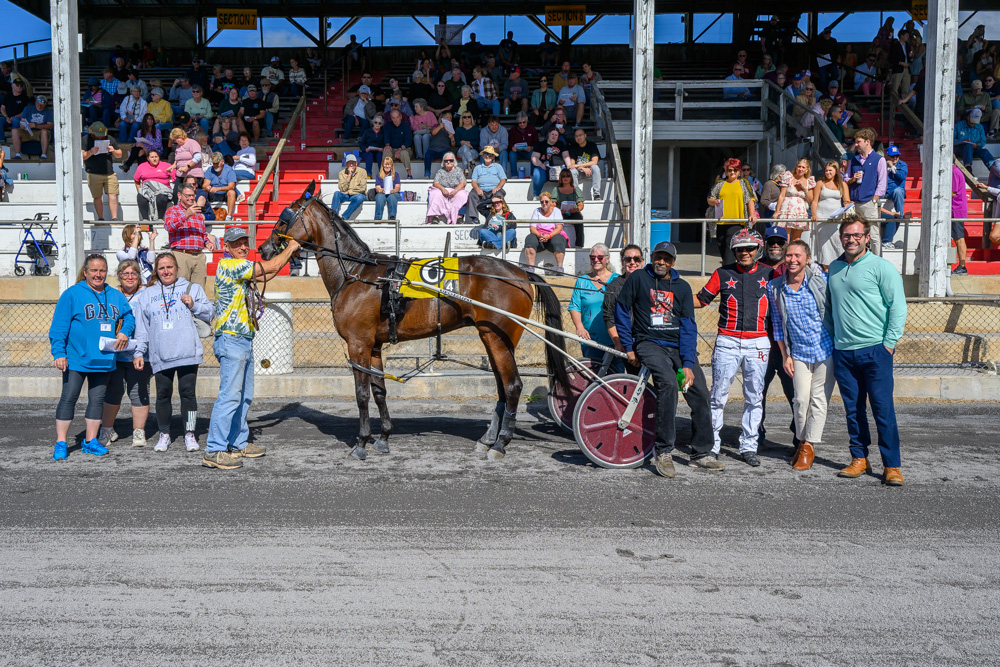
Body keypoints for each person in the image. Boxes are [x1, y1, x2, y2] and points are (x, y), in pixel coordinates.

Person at [614, 241, 725, 477]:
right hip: (649, 343)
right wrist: (628, 346)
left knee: (700, 392)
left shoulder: (683, 288)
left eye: (666, 259)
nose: (661, 262)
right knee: (667, 383)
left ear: (673, 262)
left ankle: (701, 453)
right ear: (652, 257)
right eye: (658, 257)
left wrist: (687, 364)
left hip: (677, 348)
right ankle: (664, 450)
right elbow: (622, 310)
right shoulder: (637, 279)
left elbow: (688, 326)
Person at [204, 227, 300, 469]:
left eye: (245, 242)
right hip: (232, 338)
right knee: (230, 396)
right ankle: (214, 449)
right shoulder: (228, 265)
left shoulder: (239, 268)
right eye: (237, 243)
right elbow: (268, 268)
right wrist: (291, 247)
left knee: (243, 397)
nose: (243, 247)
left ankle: (238, 443)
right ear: (225, 247)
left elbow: (270, 272)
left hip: (243, 338)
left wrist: (285, 254)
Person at [824, 212, 907, 486]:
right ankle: (859, 458)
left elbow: (897, 307)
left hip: (875, 351)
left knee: (883, 409)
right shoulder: (834, 268)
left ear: (867, 238)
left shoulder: (881, 267)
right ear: (840, 237)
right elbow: (828, 309)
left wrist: (889, 344)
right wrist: (833, 338)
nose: (851, 239)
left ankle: (892, 465)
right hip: (844, 352)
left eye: (857, 235)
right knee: (853, 410)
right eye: (847, 235)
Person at [695, 229, 774, 467]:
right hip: (727, 341)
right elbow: (701, 299)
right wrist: (671, 299)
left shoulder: (771, 273)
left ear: (759, 249)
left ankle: (749, 445)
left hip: (759, 340)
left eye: (750, 248)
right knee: (718, 395)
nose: (745, 253)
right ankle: (713, 445)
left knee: (754, 396)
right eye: (740, 249)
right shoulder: (722, 273)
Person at [48, 254, 134, 461]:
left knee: (97, 401)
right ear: (85, 272)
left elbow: (129, 315)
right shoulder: (72, 294)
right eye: (94, 270)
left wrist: (125, 331)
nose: (98, 274)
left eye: (102, 270)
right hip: (76, 358)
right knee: (69, 398)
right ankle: (61, 442)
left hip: (104, 359)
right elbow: (59, 327)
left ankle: (90, 441)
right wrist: (59, 353)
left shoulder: (114, 295)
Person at [132, 252, 213, 453]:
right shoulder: (147, 294)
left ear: (177, 269)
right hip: (161, 353)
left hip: (187, 352)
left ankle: (190, 433)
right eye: (161, 268)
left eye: (169, 267)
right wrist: (139, 352)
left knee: (188, 394)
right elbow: (142, 327)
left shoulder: (192, 288)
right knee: (162, 394)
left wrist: (194, 305)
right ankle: (164, 433)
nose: (166, 271)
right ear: (156, 271)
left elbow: (210, 312)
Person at [767, 240, 834, 471]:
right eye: (789, 256)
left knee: (818, 400)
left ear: (807, 259)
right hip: (798, 353)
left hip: (826, 351)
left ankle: (807, 446)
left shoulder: (820, 282)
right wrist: (786, 355)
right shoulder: (775, 287)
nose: (792, 260)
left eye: (798, 256)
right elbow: (777, 323)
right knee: (800, 400)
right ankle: (804, 442)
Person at [98, 259, 151, 448]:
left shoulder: (146, 294)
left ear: (139, 276)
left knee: (138, 392)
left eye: (133, 273)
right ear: (119, 276)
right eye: (125, 274)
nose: (129, 277)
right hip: (115, 353)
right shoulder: (110, 293)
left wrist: (140, 351)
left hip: (140, 353)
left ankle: (139, 431)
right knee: (113, 393)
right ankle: (107, 429)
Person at [755, 226, 797, 449]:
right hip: (761, 343)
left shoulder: (793, 268)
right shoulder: (754, 267)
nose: (775, 246)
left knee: (795, 394)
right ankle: (756, 431)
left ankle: (799, 435)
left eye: (780, 242)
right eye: (771, 241)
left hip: (789, 346)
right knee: (757, 392)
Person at [569, 244, 619, 362]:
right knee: (593, 376)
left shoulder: (618, 280)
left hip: (615, 339)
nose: (596, 260)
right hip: (590, 339)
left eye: (600, 257)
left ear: (607, 259)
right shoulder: (582, 281)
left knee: (617, 377)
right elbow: (574, 306)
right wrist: (579, 327)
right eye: (593, 257)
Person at [707, 158, 758, 264]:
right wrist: (715, 201)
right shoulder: (720, 184)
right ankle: (730, 266)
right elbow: (709, 199)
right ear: (726, 171)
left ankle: (728, 269)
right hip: (721, 221)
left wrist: (752, 214)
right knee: (721, 244)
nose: (732, 172)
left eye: (735, 170)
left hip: (737, 221)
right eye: (730, 170)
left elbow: (750, 199)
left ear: (739, 171)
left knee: (729, 243)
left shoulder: (744, 183)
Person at [164, 183, 213, 288]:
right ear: (179, 195)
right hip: (181, 255)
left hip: (198, 255)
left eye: (193, 195)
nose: (191, 198)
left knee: (199, 291)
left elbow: (202, 232)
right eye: (188, 195)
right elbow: (169, 227)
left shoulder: (198, 213)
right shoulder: (172, 210)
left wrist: (207, 242)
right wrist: (186, 215)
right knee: (180, 289)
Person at [846, 127, 887, 252]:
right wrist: (853, 179)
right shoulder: (854, 160)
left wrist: (875, 198)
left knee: (873, 234)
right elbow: (846, 178)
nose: (856, 145)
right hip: (854, 203)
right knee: (855, 234)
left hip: (868, 202)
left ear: (867, 142)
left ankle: (876, 262)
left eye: (858, 142)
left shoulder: (879, 159)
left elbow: (882, 182)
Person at [810, 160, 852, 268]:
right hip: (822, 216)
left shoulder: (843, 184)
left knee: (837, 241)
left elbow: (846, 201)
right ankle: (825, 267)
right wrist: (814, 214)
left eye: (830, 170)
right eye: (826, 170)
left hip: (836, 217)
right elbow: (815, 201)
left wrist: (849, 205)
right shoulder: (820, 183)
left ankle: (837, 265)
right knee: (824, 244)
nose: (828, 173)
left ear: (836, 171)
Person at [81, 121, 123, 221]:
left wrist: (113, 151)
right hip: (93, 173)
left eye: (102, 135)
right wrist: (91, 152)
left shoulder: (109, 138)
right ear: (92, 132)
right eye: (98, 135)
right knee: (97, 197)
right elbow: (82, 156)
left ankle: (114, 218)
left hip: (109, 172)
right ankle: (100, 218)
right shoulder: (85, 139)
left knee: (113, 195)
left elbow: (120, 154)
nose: (100, 137)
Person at [774, 159, 816, 242]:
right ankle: (785, 254)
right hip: (786, 210)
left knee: (796, 239)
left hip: (800, 211)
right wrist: (776, 211)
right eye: (799, 166)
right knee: (785, 237)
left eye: (803, 167)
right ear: (796, 167)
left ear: (807, 169)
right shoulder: (788, 177)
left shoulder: (809, 181)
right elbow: (782, 195)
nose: (800, 169)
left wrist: (804, 188)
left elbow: (810, 199)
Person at [523, 192, 566, 272]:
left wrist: (549, 236)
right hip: (540, 236)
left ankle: (560, 267)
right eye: (542, 202)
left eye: (546, 201)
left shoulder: (556, 211)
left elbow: (559, 228)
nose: (544, 203)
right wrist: (539, 235)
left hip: (553, 235)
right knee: (530, 239)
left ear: (550, 201)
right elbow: (532, 228)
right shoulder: (537, 211)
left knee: (558, 240)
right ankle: (531, 267)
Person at [466, 146, 507, 223]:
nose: (487, 156)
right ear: (483, 155)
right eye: (485, 154)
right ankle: (474, 218)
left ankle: (498, 216)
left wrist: (497, 187)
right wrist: (477, 189)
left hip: (494, 190)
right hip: (481, 191)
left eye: (490, 154)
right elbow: (474, 181)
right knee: (472, 194)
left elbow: (503, 179)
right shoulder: (477, 168)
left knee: (499, 194)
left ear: (493, 156)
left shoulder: (498, 166)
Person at [879, 145, 909, 250]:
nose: (895, 158)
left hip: (896, 191)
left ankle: (899, 215)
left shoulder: (903, 165)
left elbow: (901, 177)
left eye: (897, 156)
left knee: (898, 191)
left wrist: (892, 168)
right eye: (892, 156)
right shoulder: (882, 164)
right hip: (884, 191)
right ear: (887, 156)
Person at [425, 152, 468, 225]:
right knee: (434, 193)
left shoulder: (458, 170)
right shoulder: (440, 171)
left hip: (455, 190)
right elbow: (435, 183)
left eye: (451, 160)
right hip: (443, 191)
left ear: (454, 161)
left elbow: (463, 182)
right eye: (446, 161)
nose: (448, 162)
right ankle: (435, 217)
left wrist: (456, 191)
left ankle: (459, 217)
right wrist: (443, 189)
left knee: (463, 195)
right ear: (443, 162)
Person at [549, 168, 585, 247]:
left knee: (579, 218)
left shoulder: (576, 189)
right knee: (555, 219)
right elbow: (553, 203)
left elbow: (581, 204)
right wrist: (558, 210)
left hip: (573, 212)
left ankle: (579, 244)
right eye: (563, 176)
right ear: (561, 178)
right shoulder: (556, 189)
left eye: (568, 176)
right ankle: (557, 243)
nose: (566, 178)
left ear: (571, 178)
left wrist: (576, 209)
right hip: (561, 212)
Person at [530, 128, 569, 199]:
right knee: (537, 173)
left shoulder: (561, 144)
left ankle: (565, 195)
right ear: (548, 134)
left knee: (566, 173)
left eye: (556, 135)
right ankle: (536, 195)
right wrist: (541, 165)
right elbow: (534, 157)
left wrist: (569, 165)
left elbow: (566, 156)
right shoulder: (541, 145)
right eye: (552, 134)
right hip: (545, 168)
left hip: (558, 168)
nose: (554, 136)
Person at [12, 94, 53, 160]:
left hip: (40, 132)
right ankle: (17, 155)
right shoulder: (28, 108)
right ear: (35, 102)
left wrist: (36, 126)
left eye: (42, 104)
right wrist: (22, 125)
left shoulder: (49, 112)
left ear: (45, 104)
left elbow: (50, 126)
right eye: (38, 104)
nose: (39, 106)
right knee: (14, 131)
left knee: (44, 132)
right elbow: (22, 121)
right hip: (27, 131)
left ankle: (44, 155)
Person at [566, 128, 602, 201]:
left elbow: (594, 162)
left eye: (580, 135)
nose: (578, 137)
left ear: (585, 135)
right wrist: (582, 168)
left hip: (590, 171)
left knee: (595, 167)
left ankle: (596, 195)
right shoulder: (573, 147)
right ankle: (577, 195)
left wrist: (579, 166)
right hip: (579, 172)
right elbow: (572, 165)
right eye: (576, 136)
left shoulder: (592, 145)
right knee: (572, 171)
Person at [332, 153, 368, 220]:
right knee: (337, 193)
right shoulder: (341, 173)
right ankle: (333, 216)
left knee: (360, 197)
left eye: (353, 163)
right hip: (346, 195)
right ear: (346, 164)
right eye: (349, 163)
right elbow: (342, 188)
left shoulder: (362, 172)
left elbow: (362, 188)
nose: (351, 165)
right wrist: (349, 175)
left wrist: (349, 191)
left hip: (357, 195)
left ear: (356, 163)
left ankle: (344, 217)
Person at [203, 152, 238, 220]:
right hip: (213, 193)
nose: (215, 165)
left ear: (222, 162)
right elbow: (205, 184)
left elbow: (231, 186)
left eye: (217, 163)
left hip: (224, 193)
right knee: (203, 191)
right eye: (214, 163)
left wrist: (219, 189)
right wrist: (207, 187)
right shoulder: (210, 170)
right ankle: (203, 212)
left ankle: (229, 215)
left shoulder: (229, 170)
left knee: (231, 192)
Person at [382, 109, 413, 179]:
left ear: (401, 117)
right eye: (393, 118)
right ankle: (385, 175)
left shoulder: (406, 126)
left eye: (397, 117)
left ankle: (409, 175)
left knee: (404, 153)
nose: (396, 120)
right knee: (386, 152)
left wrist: (399, 149)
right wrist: (387, 146)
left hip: (404, 149)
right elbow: (386, 138)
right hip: (392, 149)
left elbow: (408, 141)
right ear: (391, 118)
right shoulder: (388, 126)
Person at [423, 112, 455, 176]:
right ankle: (427, 173)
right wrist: (440, 126)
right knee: (427, 155)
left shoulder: (451, 130)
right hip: (433, 149)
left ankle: (447, 175)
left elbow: (453, 145)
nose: (449, 119)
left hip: (445, 149)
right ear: (442, 119)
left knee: (448, 157)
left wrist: (452, 138)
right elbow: (433, 133)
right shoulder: (436, 126)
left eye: (450, 118)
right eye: (447, 117)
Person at [508, 112, 539, 177]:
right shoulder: (513, 130)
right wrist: (512, 148)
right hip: (517, 152)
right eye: (520, 123)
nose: (522, 124)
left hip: (528, 151)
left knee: (534, 154)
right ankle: (514, 175)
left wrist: (531, 147)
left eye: (524, 122)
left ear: (527, 121)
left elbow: (536, 142)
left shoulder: (532, 129)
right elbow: (510, 143)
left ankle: (532, 174)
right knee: (511, 153)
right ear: (517, 122)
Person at [952, 164, 970, 275]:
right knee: (958, 238)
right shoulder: (955, 170)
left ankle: (962, 266)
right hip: (956, 208)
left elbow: (952, 192)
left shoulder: (953, 172)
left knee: (959, 238)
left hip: (956, 209)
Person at [373, 155, 402, 221]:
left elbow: (398, 187)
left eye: (389, 165)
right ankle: (378, 217)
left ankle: (392, 216)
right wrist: (381, 190)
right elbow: (377, 188)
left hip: (393, 193)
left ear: (391, 166)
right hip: (383, 193)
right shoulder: (379, 175)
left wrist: (393, 191)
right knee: (379, 197)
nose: (387, 166)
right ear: (382, 165)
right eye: (385, 164)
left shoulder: (396, 174)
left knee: (391, 197)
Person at [888, 28, 911, 101]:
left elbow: (909, 57)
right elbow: (891, 59)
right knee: (895, 89)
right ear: (902, 36)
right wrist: (901, 63)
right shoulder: (895, 46)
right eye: (906, 35)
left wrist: (911, 57)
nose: (907, 37)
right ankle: (894, 105)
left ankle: (904, 104)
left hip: (907, 69)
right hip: (898, 69)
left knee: (905, 88)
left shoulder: (908, 46)